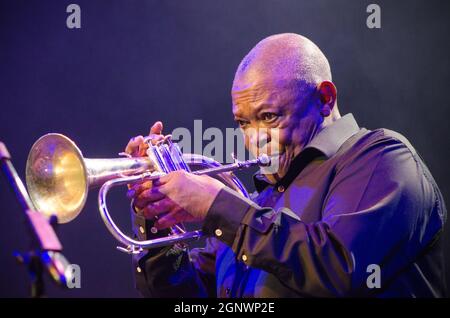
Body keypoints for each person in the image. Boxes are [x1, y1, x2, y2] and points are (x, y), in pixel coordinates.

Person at [124, 33, 447, 297]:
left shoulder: (381, 157)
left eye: (268, 117)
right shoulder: (257, 205)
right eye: (243, 123)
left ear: (325, 99)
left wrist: (217, 206)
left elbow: (339, 267)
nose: (255, 138)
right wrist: (157, 224)